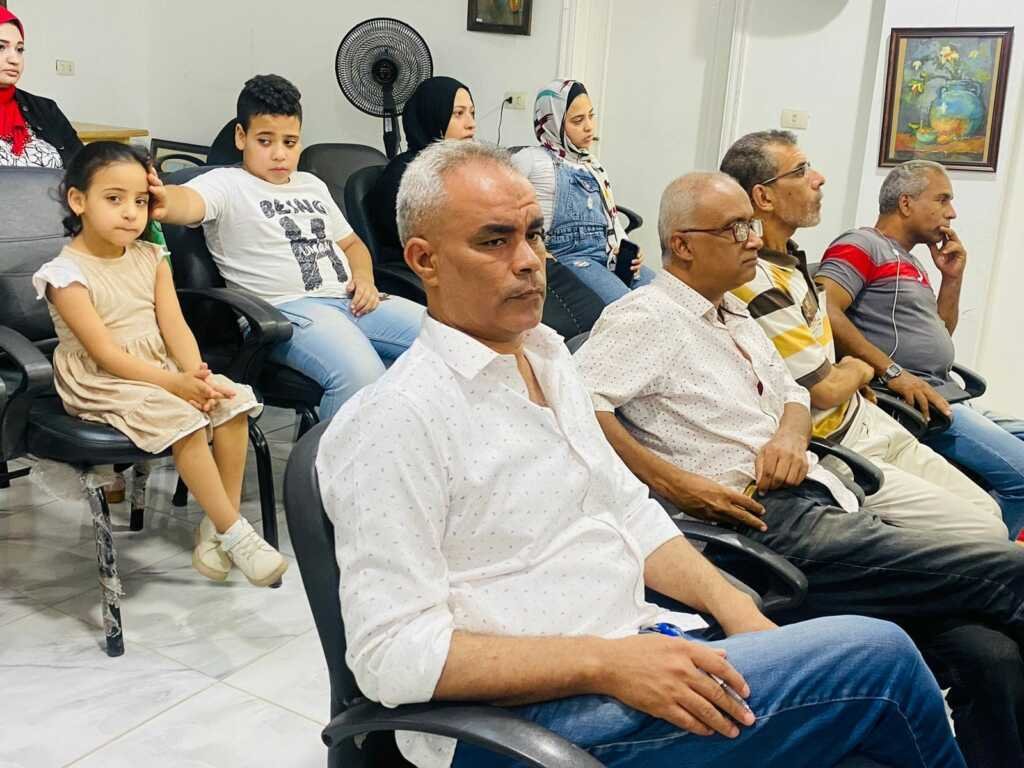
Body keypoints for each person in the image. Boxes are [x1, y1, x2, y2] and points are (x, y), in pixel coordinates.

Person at [316, 140, 965, 768]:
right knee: (881, 662)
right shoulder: (395, 420)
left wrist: (739, 613)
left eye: (535, 235)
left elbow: (629, 510)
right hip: (524, 724)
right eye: (495, 241)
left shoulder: (546, 356)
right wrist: (607, 663)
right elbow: (390, 657)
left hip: (635, 647)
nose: (530, 261)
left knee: (932, 681)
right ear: (424, 260)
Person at [576, 170, 1024, 768]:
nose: (753, 239)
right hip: (761, 528)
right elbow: (580, 408)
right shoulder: (646, 317)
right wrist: (669, 480)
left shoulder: (733, 312)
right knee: (1009, 570)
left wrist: (790, 435)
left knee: (991, 654)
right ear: (683, 244)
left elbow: (793, 391)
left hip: (821, 498)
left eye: (750, 224)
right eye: (735, 229)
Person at [719, 130, 1004, 541]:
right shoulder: (769, 274)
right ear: (764, 197)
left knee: (989, 511)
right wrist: (877, 371)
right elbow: (825, 386)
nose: (819, 178)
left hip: (870, 414)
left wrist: (952, 280)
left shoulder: (792, 260)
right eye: (801, 171)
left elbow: (937, 334)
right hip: (841, 439)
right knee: (989, 528)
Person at [31, 142, 286, 586]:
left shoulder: (152, 256)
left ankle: (216, 528)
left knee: (230, 402)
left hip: (159, 367)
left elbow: (174, 327)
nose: (131, 212)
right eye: (114, 199)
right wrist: (175, 385)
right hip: (102, 379)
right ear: (78, 200)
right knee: (184, 421)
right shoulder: (64, 275)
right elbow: (105, 354)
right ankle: (236, 533)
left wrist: (196, 375)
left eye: (140, 201)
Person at [148, 74, 424, 421]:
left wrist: (365, 279)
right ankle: (336, 459)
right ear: (241, 137)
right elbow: (186, 201)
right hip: (287, 310)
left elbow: (352, 244)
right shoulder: (226, 184)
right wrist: (161, 199)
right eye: (265, 141)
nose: (279, 154)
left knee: (452, 344)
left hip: (352, 301)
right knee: (363, 376)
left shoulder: (311, 184)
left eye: (290, 142)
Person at [816, 160, 1024, 538]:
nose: (952, 212)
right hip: (912, 403)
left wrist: (952, 278)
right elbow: (825, 308)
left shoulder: (910, 260)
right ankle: (993, 567)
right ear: (906, 203)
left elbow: (940, 331)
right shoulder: (861, 245)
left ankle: (970, 534)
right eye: (942, 199)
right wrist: (894, 373)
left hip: (945, 392)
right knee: (1022, 475)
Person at [513, 78, 654, 304]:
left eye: (591, 116)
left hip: (607, 254)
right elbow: (503, 208)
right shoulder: (531, 159)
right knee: (629, 306)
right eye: (578, 120)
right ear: (553, 122)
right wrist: (532, 245)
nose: (589, 126)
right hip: (569, 256)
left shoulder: (593, 166)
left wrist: (627, 248)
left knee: (666, 297)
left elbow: (612, 220)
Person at [366, 76, 476, 256]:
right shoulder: (404, 174)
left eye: (472, 113)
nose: (471, 124)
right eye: (458, 113)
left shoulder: (462, 167)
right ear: (431, 116)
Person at [0, 8, 82, 167]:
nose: (15, 60)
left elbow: (83, 167)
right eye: (0, 47)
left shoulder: (45, 109)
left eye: (19, 49)